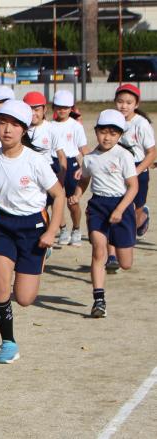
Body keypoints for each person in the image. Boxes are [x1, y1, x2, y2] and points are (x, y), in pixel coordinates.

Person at [0, 100, 65, 363]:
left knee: (24, 298)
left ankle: (38, 261)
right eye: (2, 123)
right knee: (0, 284)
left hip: (34, 229)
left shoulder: (35, 161)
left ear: (24, 129)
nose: (7, 130)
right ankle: (8, 343)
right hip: (3, 228)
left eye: (14, 125)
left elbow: (59, 195)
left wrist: (52, 231)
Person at [68, 110, 138, 318]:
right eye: (103, 132)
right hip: (98, 205)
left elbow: (133, 187)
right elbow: (84, 180)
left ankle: (132, 230)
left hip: (121, 205)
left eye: (113, 133)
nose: (107, 137)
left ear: (120, 136)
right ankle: (99, 300)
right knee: (99, 251)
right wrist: (77, 195)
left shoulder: (124, 156)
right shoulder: (89, 158)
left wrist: (119, 210)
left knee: (125, 263)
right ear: (96, 132)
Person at [114, 84, 155, 240]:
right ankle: (123, 241)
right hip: (119, 169)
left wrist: (137, 171)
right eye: (120, 101)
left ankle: (142, 214)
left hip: (138, 169)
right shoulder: (113, 119)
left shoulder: (141, 124)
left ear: (136, 104)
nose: (124, 106)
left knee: (136, 212)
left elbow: (152, 153)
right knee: (122, 207)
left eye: (129, 103)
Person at [51, 90, 88, 247]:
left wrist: (85, 167)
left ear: (71, 108)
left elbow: (84, 149)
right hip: (53, 163)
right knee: (55, 200)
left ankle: (76, 229)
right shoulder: (49, 126)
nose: (62, 110)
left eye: (66, 107)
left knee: (72, 202)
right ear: (53, 107)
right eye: (59, 107)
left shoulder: (75, 126)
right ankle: (63, 229)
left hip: (72, 164)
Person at [23, 92, 53, 164]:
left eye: (36, 110)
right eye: (29, 110)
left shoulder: (51, 128)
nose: (33, 113)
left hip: (47, 168)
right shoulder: (19, 129)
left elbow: (60, 153)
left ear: (44, 109)